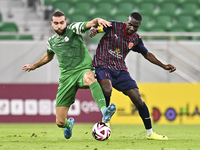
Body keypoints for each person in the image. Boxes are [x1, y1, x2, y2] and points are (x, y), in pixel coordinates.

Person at [22, 10, 116, 139]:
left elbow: (90, 24)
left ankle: (105, 111)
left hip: (83, 70)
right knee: (59, 122)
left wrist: (97, 20)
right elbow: (48, 56)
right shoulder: (51, 42)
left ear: (65, 22)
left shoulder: (73, 29)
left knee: (89, 77)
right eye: (56, 23)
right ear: (52, 24)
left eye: (62, 22)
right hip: (66, 78)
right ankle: (68, 125)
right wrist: (34, 66)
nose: (59, 26)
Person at [89, 12, 176, 140]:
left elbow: (147, 54)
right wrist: (93, 30)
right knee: (107, 88)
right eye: (130, 25)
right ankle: (105, 121)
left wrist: (163, 65)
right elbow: (98, 27)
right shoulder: (113, 26)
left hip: (120, 70)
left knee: (137, 99)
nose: (132, 28)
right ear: (126, 21)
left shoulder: (135, 39)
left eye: (136, 27)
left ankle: (150, 133)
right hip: (103, 65)